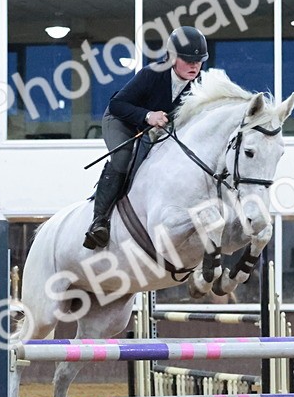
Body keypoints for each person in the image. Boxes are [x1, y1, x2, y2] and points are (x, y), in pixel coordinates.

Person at [82, 26, 208, 249]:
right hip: (121, 120)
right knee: (123, 157)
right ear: (172, 57)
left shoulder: (198, 87)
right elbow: (117, 104)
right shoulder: (152, 74)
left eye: (198, 61)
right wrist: (148, 115)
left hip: (154, 130)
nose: (194, 65)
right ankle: (99, 221)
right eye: (188, 60)